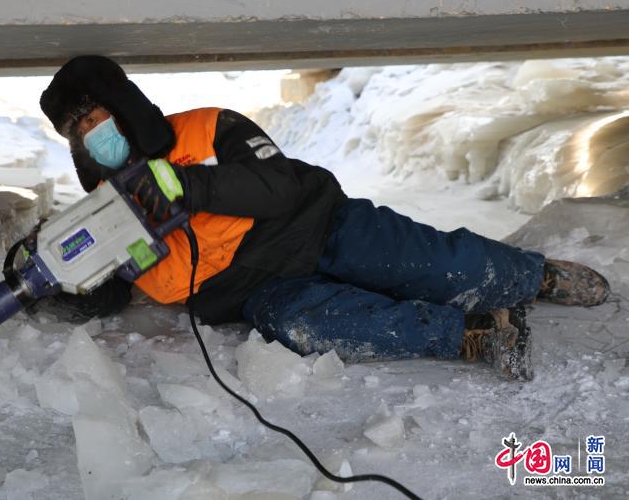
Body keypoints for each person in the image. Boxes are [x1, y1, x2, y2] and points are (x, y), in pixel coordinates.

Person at [38, 55, 610, 381]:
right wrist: (52, 272)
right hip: (253, 293)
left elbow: (279, 185)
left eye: (95, 116)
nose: (93, 133)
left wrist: (188, 187)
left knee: (432, 262)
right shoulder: (104, 210)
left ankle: (533, 276)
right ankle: (476, 334)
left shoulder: (208, 127)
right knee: (315, 327)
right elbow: (104, 289)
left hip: (319, 226)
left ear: (124, 105)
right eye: (78, 129)